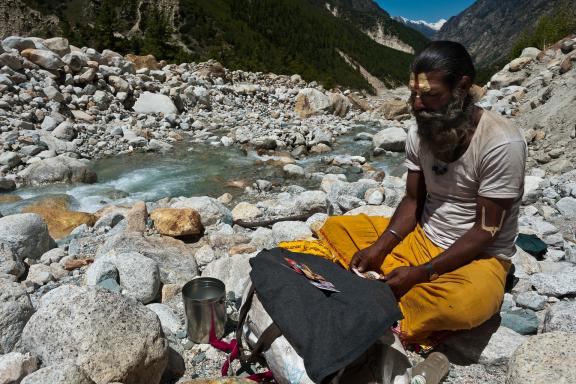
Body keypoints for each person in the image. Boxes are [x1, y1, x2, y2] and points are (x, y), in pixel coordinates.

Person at [280, 41, 527, 348]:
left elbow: (485, 231)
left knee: (463, 303)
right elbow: (413, 200)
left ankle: (391, 299)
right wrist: (381, 247)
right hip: (423, 236)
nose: (417, 105)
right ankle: (392, 291)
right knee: (336, 227)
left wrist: (423, 273)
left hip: (479, 257)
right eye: (414, 94)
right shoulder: (419, 132)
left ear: (462, 87)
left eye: (430, 95)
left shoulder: (501, 143)